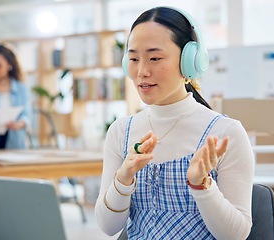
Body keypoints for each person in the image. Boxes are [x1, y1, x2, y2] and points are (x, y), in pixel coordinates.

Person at [95, 6, 255, 239]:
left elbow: (236, 235)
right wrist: (123, 177)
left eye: (155, 58)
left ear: (190, 61)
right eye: (133, 58)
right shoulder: (121, 131)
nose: (141, 71)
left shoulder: (225, 133)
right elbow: (108, 227)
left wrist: (202, 185)